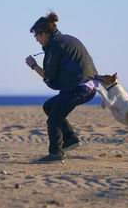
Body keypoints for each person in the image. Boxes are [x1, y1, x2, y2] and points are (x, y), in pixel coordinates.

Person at [25, 12, 98, 163]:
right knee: (49, 106)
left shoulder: (56, 45)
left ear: (43, 33)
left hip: (80, 87)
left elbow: (48, 76)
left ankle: (55, 154)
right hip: (86, 86)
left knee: (54, 120)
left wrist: (33, 65)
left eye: (36, 36)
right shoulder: (64, 39)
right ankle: (70, 139)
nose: (37, 40)